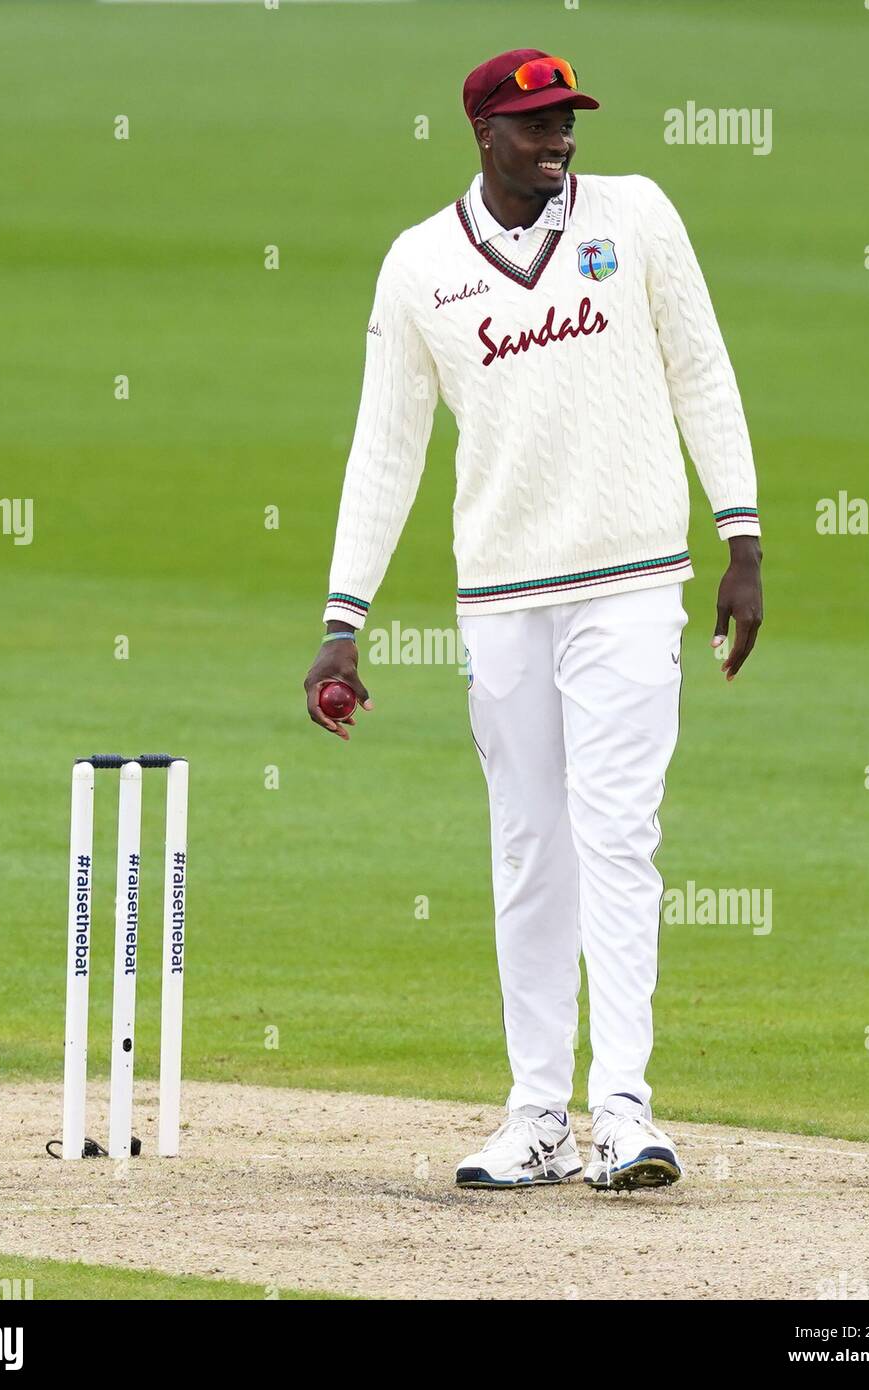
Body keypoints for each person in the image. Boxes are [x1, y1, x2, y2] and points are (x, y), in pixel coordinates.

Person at [303, 49, 763, 1192]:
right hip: (503, 595)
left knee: (617, 832)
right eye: (535, 124)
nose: (559, 141)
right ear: (481, 133)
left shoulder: (637, 216)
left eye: (567, 121)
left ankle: (624, 1107)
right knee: (528, 847)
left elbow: (701, 369)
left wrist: (742, 536)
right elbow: (386, 447)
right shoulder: (420, 268)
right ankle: (536, 1114)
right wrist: (342, 617)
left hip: (633, 579)